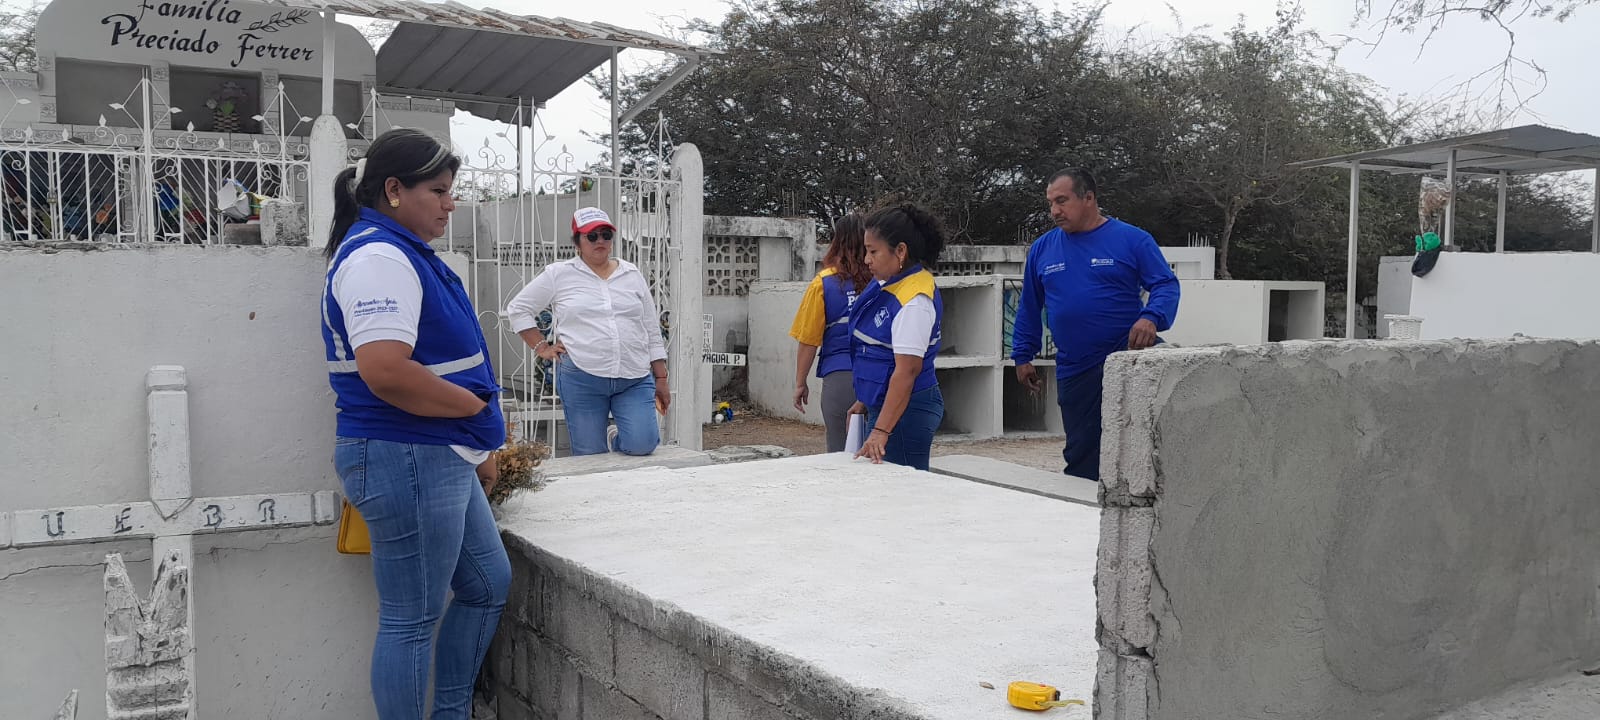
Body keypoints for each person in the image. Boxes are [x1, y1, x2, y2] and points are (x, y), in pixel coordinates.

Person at [320, 128, 509, 720]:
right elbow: (387, 372)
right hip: (406, 454)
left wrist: (477, 446)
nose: (451, 203)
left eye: (452, 190)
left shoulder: (401, 252)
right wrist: (476, 413)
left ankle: (451, 712)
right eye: (439, 191)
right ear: (395, 190)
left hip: (434, 453)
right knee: (411, 618)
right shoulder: (379, 258)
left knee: (487, 583)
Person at [1011, 168, 1180, 481]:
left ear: (1088, 198)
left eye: (1062, 201)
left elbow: (1165, 285)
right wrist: (1022, 355)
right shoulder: (1043, 249)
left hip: (1127, 359)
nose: (1054, 211)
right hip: (1076, 368)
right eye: (1051, 203)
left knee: (1143, 449)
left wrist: (1151, 317)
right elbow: (1030, 307)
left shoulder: (1132, 239)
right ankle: (1081, 510)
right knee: (1082, 456)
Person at [505, 207, 671, 456]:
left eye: (606, 235)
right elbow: (518, 309)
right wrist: (541, 347)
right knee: (590, 454)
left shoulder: (631, 273)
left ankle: (615, 438)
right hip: (582, 378)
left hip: (633, 377)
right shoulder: (559, 274)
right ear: (578, 242)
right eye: (591, 236)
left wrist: (661, 377)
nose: (599, 241)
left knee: (643, 444)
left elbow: (650, 326)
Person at [847, 203, 946, 470]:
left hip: (905, 413)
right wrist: (865, 398)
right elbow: (879, 352)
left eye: (873, 251)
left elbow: (906, 371)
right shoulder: (889, 282)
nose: (866, 260)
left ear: (900, 251)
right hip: (887, 407)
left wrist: (881, 430)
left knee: (899, 489)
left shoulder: (914, 302)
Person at [789, 213, 872, 452]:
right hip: (880, 375)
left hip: (840, 375)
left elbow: (809, 340)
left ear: (837, 242)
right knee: (879, 454)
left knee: (840, 450)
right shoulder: (882, 280)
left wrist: (800, 383)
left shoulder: (823, 283)